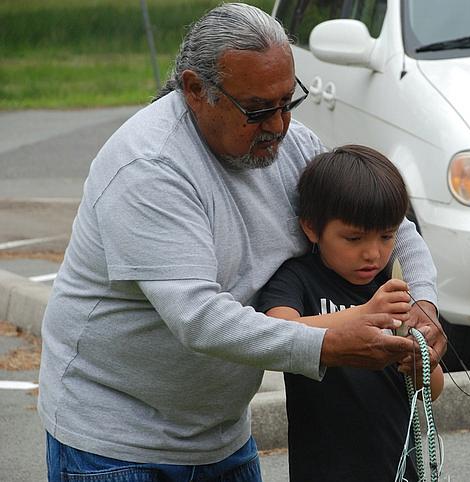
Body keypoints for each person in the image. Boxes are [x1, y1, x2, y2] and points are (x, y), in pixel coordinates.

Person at [37, 3, 445, 481]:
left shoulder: (291, 147)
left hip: (222, 437)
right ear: (195, 90)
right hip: (117, 446)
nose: (278, 125)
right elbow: (199, 318)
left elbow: (393, 223)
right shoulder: (150, 167)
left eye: (287, 102)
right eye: (257, 110)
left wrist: (425, 302)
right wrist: (327, 341)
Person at [255, 145, 444, 482]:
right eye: (354, 238)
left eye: (386, 236)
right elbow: (277, 329)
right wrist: (363, 315)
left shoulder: (392, 286)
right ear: (312, 229)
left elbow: (431, 389)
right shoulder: (297, 278)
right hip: (326, 469)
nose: (373, 253)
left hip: (400, 467)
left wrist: (422, 363)